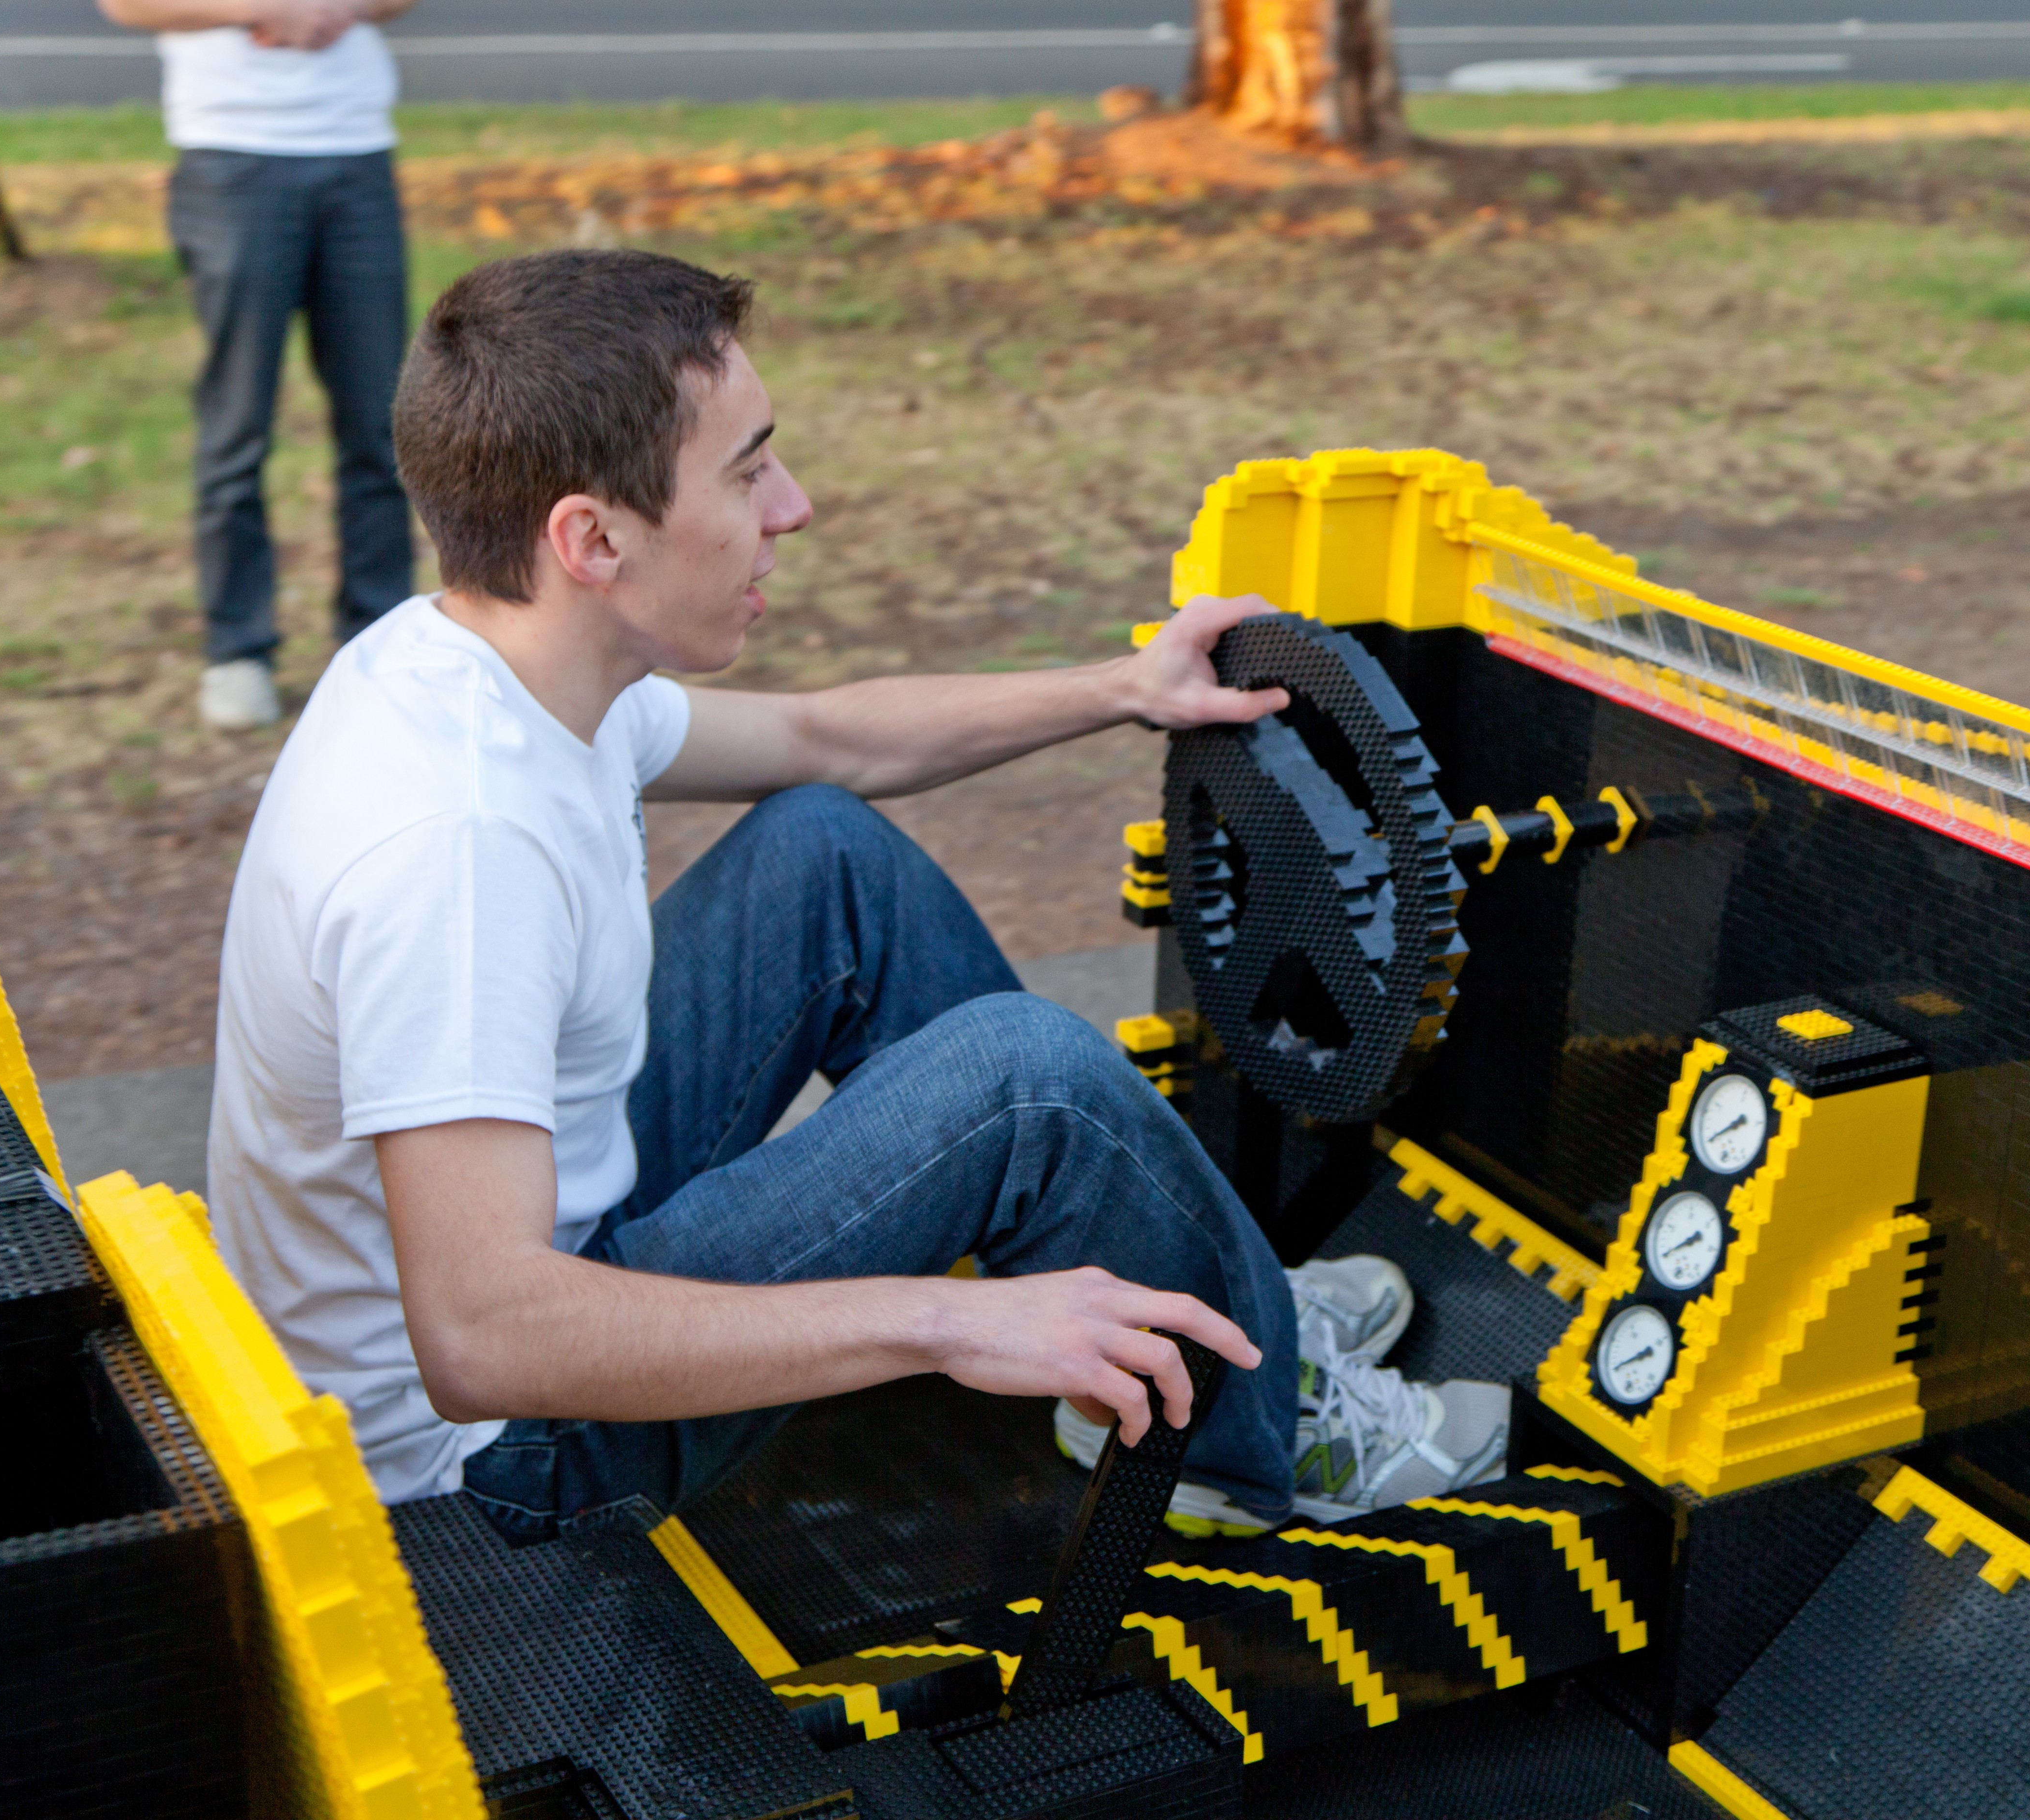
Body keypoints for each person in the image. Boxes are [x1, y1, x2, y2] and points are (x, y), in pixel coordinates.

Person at [203, 248, 1512, 1543]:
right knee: (1028, 1080)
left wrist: (1123, 689)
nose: (795, 506)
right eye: (747, 471)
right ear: (592, 538)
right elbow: (482, 1341)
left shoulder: (493, 662)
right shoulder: (458, 853)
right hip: (495, 1466)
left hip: (549, 1236)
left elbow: (827, 740)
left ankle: (1210, 1300)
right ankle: (1252, 1423)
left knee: (825, 850)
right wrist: (950, 1322)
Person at [97, 0, 420, 730]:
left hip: (358, 154)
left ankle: (379, 643)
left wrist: (335, 10)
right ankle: (237, 650)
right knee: (238, 425)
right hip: (231, 158)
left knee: (382, 426)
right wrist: (265, 9)